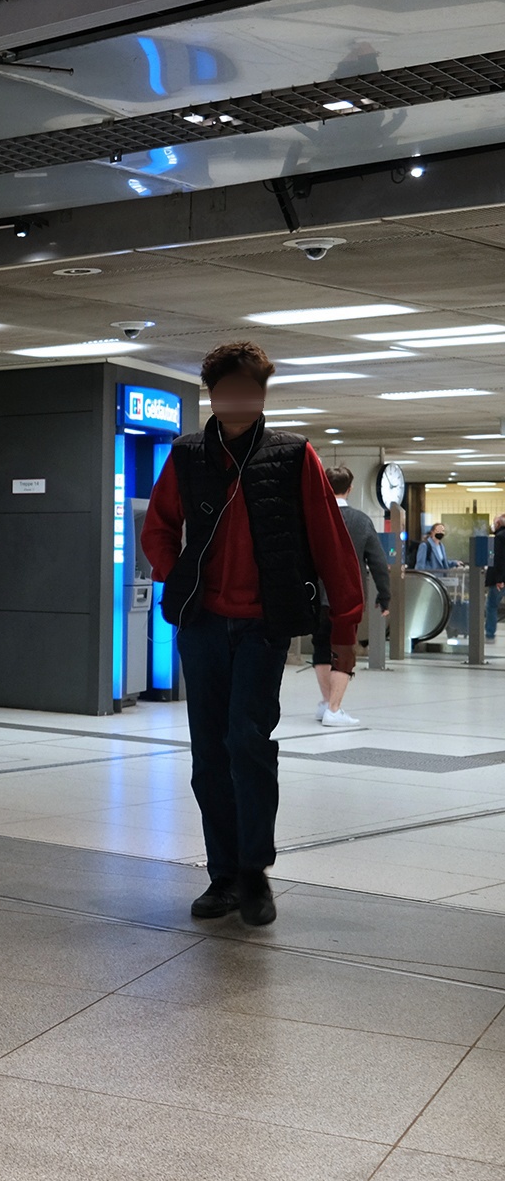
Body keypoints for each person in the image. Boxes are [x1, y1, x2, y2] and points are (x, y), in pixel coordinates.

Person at [142, 342, 363, 927]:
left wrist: (344, 630)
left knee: (248, 744)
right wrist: (176, 573)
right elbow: (158, 526)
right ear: (212, 394)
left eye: (252, 389)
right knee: (210, 754)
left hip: (264, 626)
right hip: (202, 625)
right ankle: (223, 876)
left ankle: (252, 872)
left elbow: (332, 546)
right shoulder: (187, 454)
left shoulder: (294, 456)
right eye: (229, 389)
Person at [312, 466, 390, 728]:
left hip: (316, 596)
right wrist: (385, 596)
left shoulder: (313, 517)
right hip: (347, 597)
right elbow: (377, 562)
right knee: (343, 651)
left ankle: (326, 702)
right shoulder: (361, 521)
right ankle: (334, 710)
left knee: (321, 648)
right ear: (350, 488)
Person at [486, 514, 505, 642]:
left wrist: (499, 579)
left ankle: (490, 633)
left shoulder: (499, 537)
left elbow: (498, 559)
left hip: (500, 580)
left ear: (498, 524)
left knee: (491, 606)